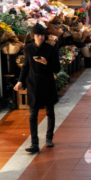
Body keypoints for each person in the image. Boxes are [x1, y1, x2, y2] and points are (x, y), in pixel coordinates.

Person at [14, 23, 60, 154]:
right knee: (33, 115)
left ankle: (49, 138)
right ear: (33, 36)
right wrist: (20, 82)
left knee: (50, 112)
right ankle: (34, 143)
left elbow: (57, 68)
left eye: (42, 35)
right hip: (33, 84)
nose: (40, 37)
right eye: (38, 35)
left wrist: (46, 63)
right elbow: (25, 66)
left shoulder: (51, 49)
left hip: (47, 84)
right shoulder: (28, 49)